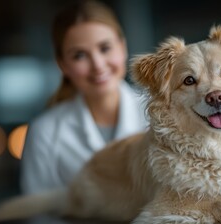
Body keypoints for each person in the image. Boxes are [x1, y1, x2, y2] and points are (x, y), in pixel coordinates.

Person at [20, 0, 148, 194]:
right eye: (80, 55)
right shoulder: (45, 132)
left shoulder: (163, 112)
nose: (97, 65)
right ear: (62, 64)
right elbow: (37, 213)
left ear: (122, 47)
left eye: (105, 48)